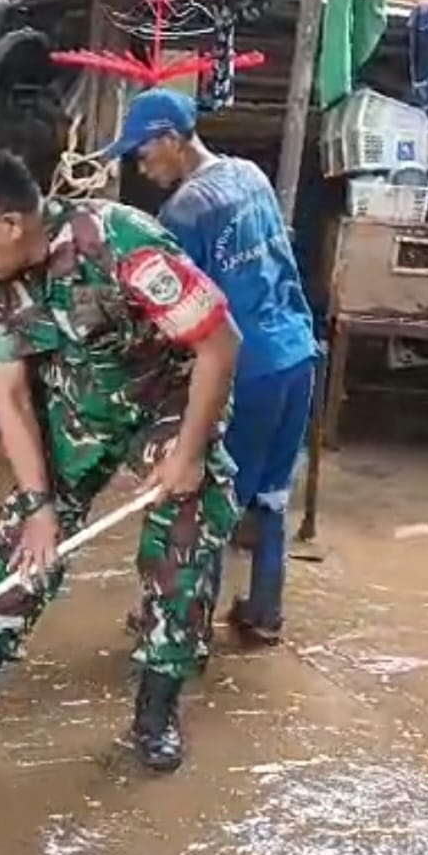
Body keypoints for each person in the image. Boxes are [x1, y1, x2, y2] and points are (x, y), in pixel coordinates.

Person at [0, 151, 240, 772]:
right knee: (25, 535)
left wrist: (187, 456)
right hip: (79, 401)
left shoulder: (121, 245)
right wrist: (39, 505)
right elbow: (10, 392)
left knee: (182, 538)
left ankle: (155, 713)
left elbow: (220, 345)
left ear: (10, 223)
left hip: (170, 397)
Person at [108, 89, 317, 645]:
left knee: (210, 500)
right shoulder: (249, 175)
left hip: (247, 369)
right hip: (296, 353)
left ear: (173, 139)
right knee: (269, 493)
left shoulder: (183, 211)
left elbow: (171, 312)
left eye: (144, 152)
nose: (141, 165)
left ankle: (188, 627)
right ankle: (263, 614)